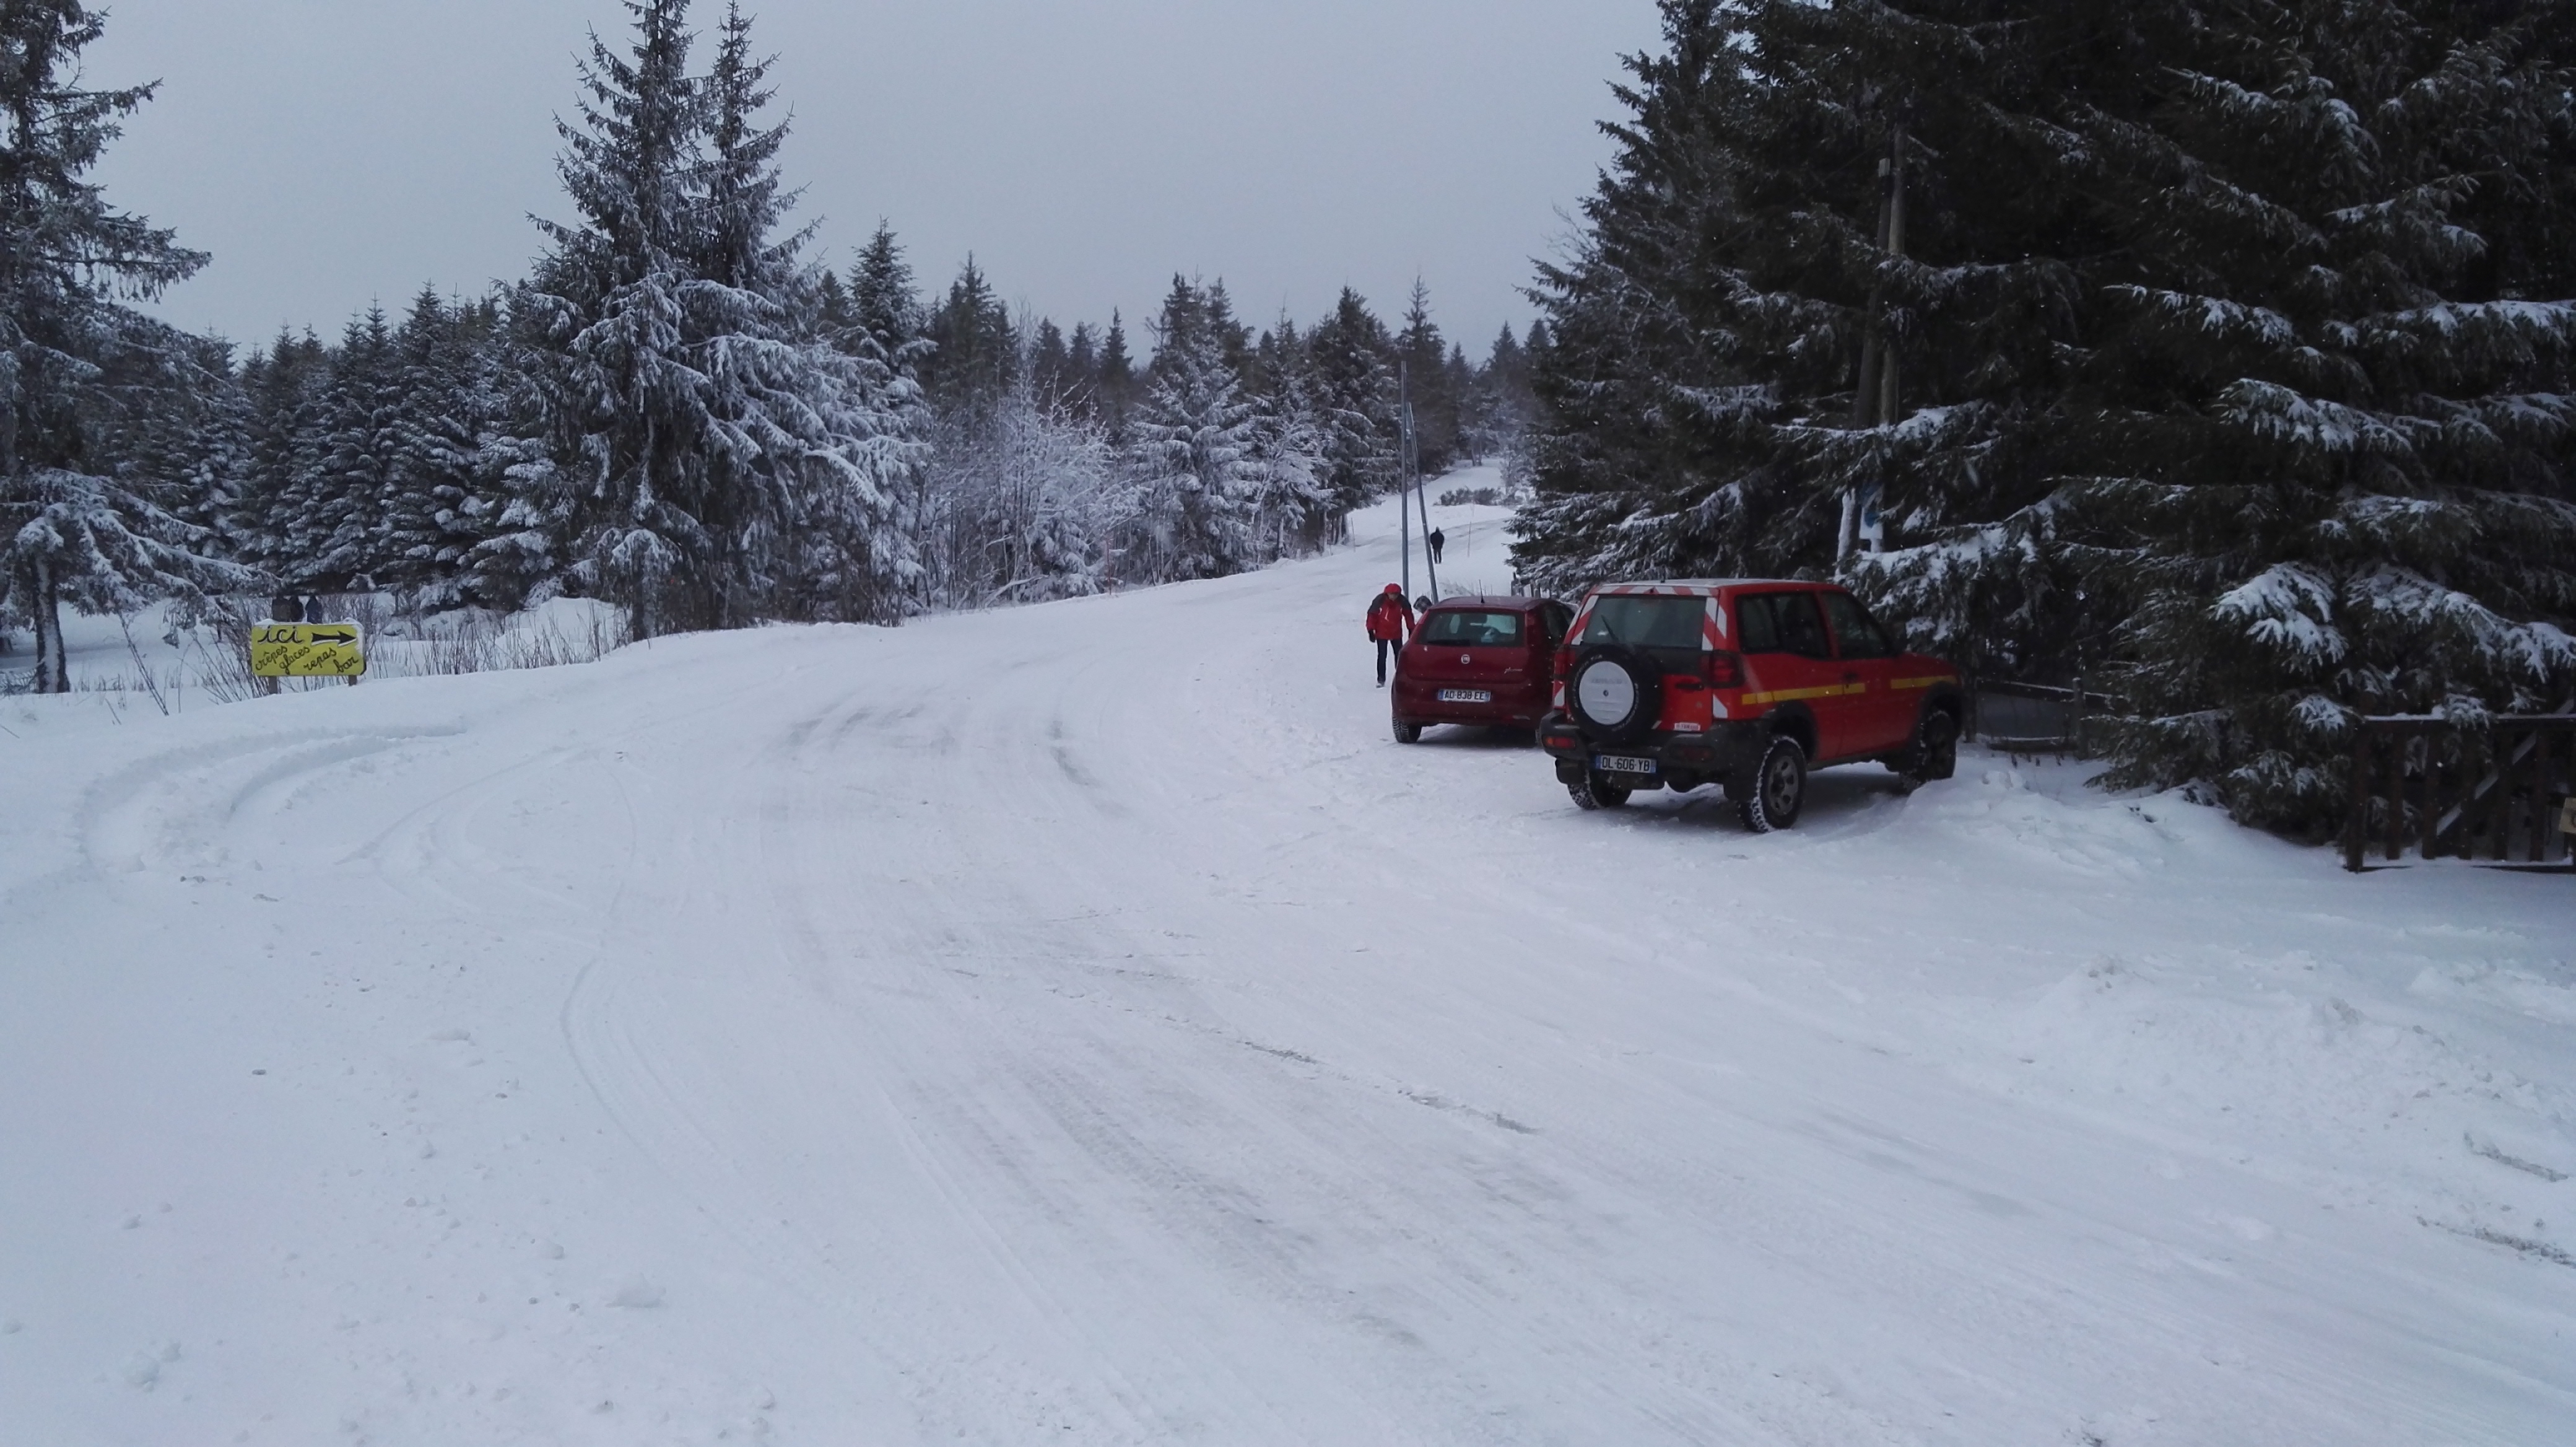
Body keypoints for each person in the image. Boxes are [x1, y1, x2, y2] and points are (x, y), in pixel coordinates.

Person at [1365, 584, 1413, 686]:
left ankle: (1400, 678)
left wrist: (1411, 629)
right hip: (1381, 633)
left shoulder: (1403, 602)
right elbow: (1372, 616)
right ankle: (1381, 679)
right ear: (1387, 594)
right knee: (1382, 656)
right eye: (1392, 594)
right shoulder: (1379, 601)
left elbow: (1409, 615)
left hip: (1396, 633)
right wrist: (1370, 630)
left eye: (1396, 594)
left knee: (1399, 656)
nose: (1394, 597)